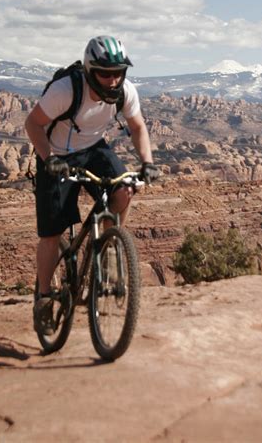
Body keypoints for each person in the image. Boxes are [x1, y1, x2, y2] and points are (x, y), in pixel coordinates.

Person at [25, 35, 159, 335]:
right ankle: (44, 299)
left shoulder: (125, 91)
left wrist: (147, 163)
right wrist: (49, 160)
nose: (112, 80)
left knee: (124, 188)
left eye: (118, 73)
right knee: (51, 234)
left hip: (95, 148)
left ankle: (110, 244)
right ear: (89, 69)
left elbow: (138, 127)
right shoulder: (65, 90)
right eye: (105, 73)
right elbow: (33, 124)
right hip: (56, 154)